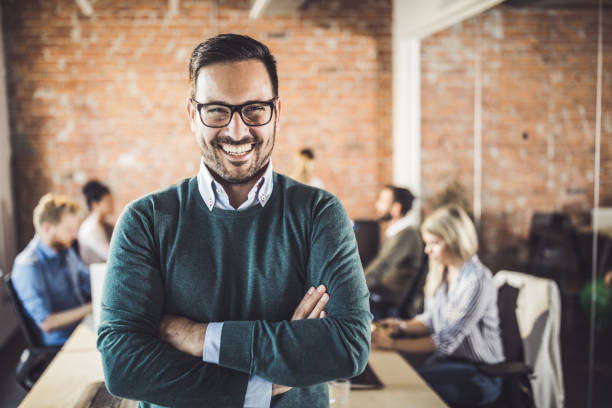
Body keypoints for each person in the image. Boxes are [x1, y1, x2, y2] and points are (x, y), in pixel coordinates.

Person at [97, 34, 371, 408]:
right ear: (193, 115)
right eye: (217, 111)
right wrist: (266, 378)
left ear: (277, 111)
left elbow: (348, 347)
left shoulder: (319, 213)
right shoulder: (146, 221)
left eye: (254, 109)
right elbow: (124, 365)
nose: (237, 131)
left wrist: (198, 337)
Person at [371, 205, 504, 407]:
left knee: (406, 390)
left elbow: (446, 340)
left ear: (454, 241)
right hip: (448, 364)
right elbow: (433, 319)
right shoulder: (443, 272)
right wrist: (401, 325)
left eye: (434, 243)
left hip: (481, 374)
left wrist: (393, 344)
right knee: (399, 382)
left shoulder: (476, 279)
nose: (427, 250)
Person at [11, 194, 92, 346]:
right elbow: (47, 323)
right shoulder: (28, 266)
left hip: (83, 326)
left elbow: (86, 280)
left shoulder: (65, 251)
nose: (75, 236)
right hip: (63, 340)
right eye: (69, 230)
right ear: (47, 228)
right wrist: (91, 308)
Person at [365, 186, 424, 317]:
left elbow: (381, 267)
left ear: (396, 208)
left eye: (382, 201)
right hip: (382, 298)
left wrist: (351, 288)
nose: (377, 205)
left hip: (388, 306)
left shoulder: (406, 235)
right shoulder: (398, 233)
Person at [77, 180, 114, 265]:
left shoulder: (106, 225)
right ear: (95, 204)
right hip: (94, 274)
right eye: (108, 201)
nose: (112, 205)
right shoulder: (90, 228)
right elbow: (111, 256)